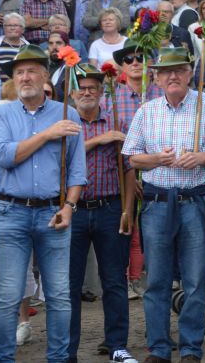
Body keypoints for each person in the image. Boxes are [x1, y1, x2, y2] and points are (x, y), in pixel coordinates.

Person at [121, 47, 205, 363]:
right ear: (156, 77)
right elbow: (131, 157)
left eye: (179, 70)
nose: (173, 76)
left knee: (195, 279)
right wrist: (156, 159)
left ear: (189, 74)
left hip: (194, 201)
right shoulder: (147, 111)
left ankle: (190, 348)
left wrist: (200, 157)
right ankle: (158, 348)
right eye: (166, 71)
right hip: (156, 203)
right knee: (156, 279)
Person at [0, 45, 85, 363]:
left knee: (59, 295)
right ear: (13, 79)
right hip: (10, 211)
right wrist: (47, 134)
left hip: (52, 211)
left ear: (45, 75)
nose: (25, 77)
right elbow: (4, 157)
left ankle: (58, 359)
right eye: (19, 72)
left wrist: (69, 206)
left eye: (31, 71)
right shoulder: (1, 112)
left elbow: (77, 169)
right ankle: (3, 359)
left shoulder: (67, 113)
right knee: (8, 295)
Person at [67, 63, 139, 363]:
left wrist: (127, 211)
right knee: (68, 284)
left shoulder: (116, 123)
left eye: (93, 88)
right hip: (73, 211)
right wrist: (98, 140)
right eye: (82, 89)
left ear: (101, 93)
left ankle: (117, 345)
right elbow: (59, 162)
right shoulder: (66, 124)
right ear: (73, 94)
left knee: (114, 280)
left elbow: (129, 171)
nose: (87, 93)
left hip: (111, 208)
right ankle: (66, 350)